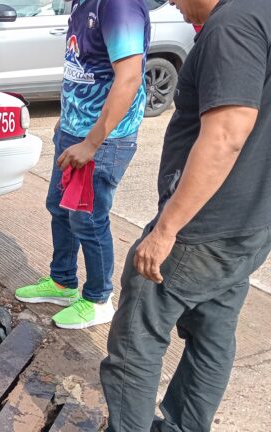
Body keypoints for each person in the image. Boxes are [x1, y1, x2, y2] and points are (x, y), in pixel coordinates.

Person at [100, 0, 271, 430]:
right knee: (212, 337)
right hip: (252, 222)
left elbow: (228, 133)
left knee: (136, 339)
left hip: (202, 226)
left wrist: (166, 228)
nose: (172, 3)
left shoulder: (233, 24)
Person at [13, 0, 150, 329]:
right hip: (74, 131)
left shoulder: (118, 5)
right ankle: (62, 283)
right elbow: (83, 68)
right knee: (60, 208)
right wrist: (67, 123)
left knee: (88, 221)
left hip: (103, 141)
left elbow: (128, 79)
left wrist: (91, 143)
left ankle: (99, 299)